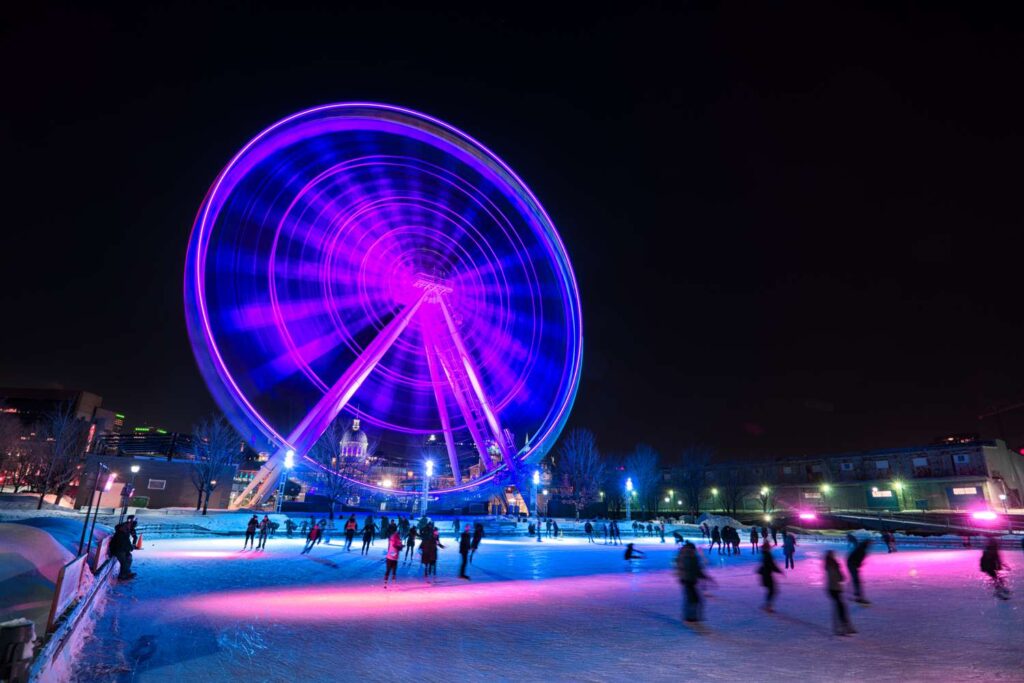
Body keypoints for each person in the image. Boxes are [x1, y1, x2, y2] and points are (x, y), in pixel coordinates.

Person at [676, 541, 713, 623]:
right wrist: (704, 577)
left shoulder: (685, 555)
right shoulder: (690, 557)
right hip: (689, 580)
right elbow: (695, 569)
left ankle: (691, 616)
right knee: (693, 599)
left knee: (692, 599)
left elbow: (694, 569)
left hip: (687, 580)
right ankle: (690, 617)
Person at [825, 550, 855, 635]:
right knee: (840, 608)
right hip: (833, 589)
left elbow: (839, 576)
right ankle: (841, 628)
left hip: (835, 589)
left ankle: (844, 627)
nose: (834, 556)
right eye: (833, 555)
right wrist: (841, 577)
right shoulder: (831, 566)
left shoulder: (832, 565)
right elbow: (837, 577)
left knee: (841, 608)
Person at [758, 542, 782, 612]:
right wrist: (779, 571)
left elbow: (769, 565)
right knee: (772, 590)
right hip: (766, 575)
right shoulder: (767, 555)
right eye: (769, 547)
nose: (770, 548)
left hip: (765, 574)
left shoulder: (765, 554)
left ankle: (767, 605)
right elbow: (771, 565)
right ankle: (767, 606)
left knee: (771, 590)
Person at [847, 539, 871, 604]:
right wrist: (857, 565)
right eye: (869, 544)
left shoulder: (860, 548)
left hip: (851, 564)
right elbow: (857, 559)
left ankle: (857, 594)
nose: (870, 546)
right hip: (852, 564)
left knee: (856, 579)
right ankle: (858, 596)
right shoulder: (861, 550)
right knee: (856, 580)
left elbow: (854, 558)